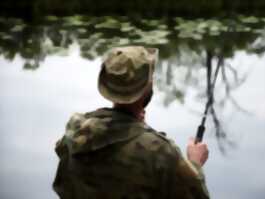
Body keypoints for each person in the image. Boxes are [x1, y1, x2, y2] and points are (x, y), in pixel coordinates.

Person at [53, 46, 210, 199]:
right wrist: (195, 163)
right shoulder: (160, 152)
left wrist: (135, 128)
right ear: (146, 88)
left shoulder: (74, 134)